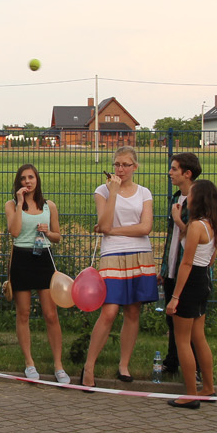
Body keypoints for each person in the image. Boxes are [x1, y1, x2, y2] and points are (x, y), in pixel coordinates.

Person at [81, 145, 157, 387]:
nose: (120, 169)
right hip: (112, 254)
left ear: (135, 167)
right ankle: (89, 366)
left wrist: (113, 230)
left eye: (126, 165)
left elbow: (145, 228)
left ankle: (124, 365)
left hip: (139, 253)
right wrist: (113, 193)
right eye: (117, 164)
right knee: (109, 311)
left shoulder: (144, 193)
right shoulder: (102, 191)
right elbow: (103, 224)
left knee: (133, 311)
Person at [5, 163, 68, 384]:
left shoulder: (49, 205)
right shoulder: (11, 205)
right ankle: (29, 362)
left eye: (31, 177)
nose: (27, 182)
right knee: (23, 313)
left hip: (43, 259)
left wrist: (48, 232)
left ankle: (58, 365)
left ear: (37, 180)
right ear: (18, 182)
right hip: (21, 259)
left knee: (51, 314)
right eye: (23, 178)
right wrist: (20, 202)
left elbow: (58, 236)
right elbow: (14, 232)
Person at [166, 179, 217, 410]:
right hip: (203, 281)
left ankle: (191, 393)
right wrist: (179, 220)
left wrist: (175, 297)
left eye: (191, 194)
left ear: (197, 199)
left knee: (182, 340)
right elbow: (210, 259)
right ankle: (208, 387)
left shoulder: (196, 226)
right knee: (199, 337)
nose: (187, 198)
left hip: (190, 283)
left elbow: (187, 262)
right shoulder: (212, 225)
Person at [159, 152, 202, 379]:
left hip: (190, 270)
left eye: (174, 169)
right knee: (172, 318)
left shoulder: (199, 201)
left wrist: (178, 220)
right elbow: (171, 238)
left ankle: (195, 369)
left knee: (189, 322)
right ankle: (172, 362)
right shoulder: (176, 198)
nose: (170, 173)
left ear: (187, 173)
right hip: (173, 268)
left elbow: (198, 238)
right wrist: (164, 269)